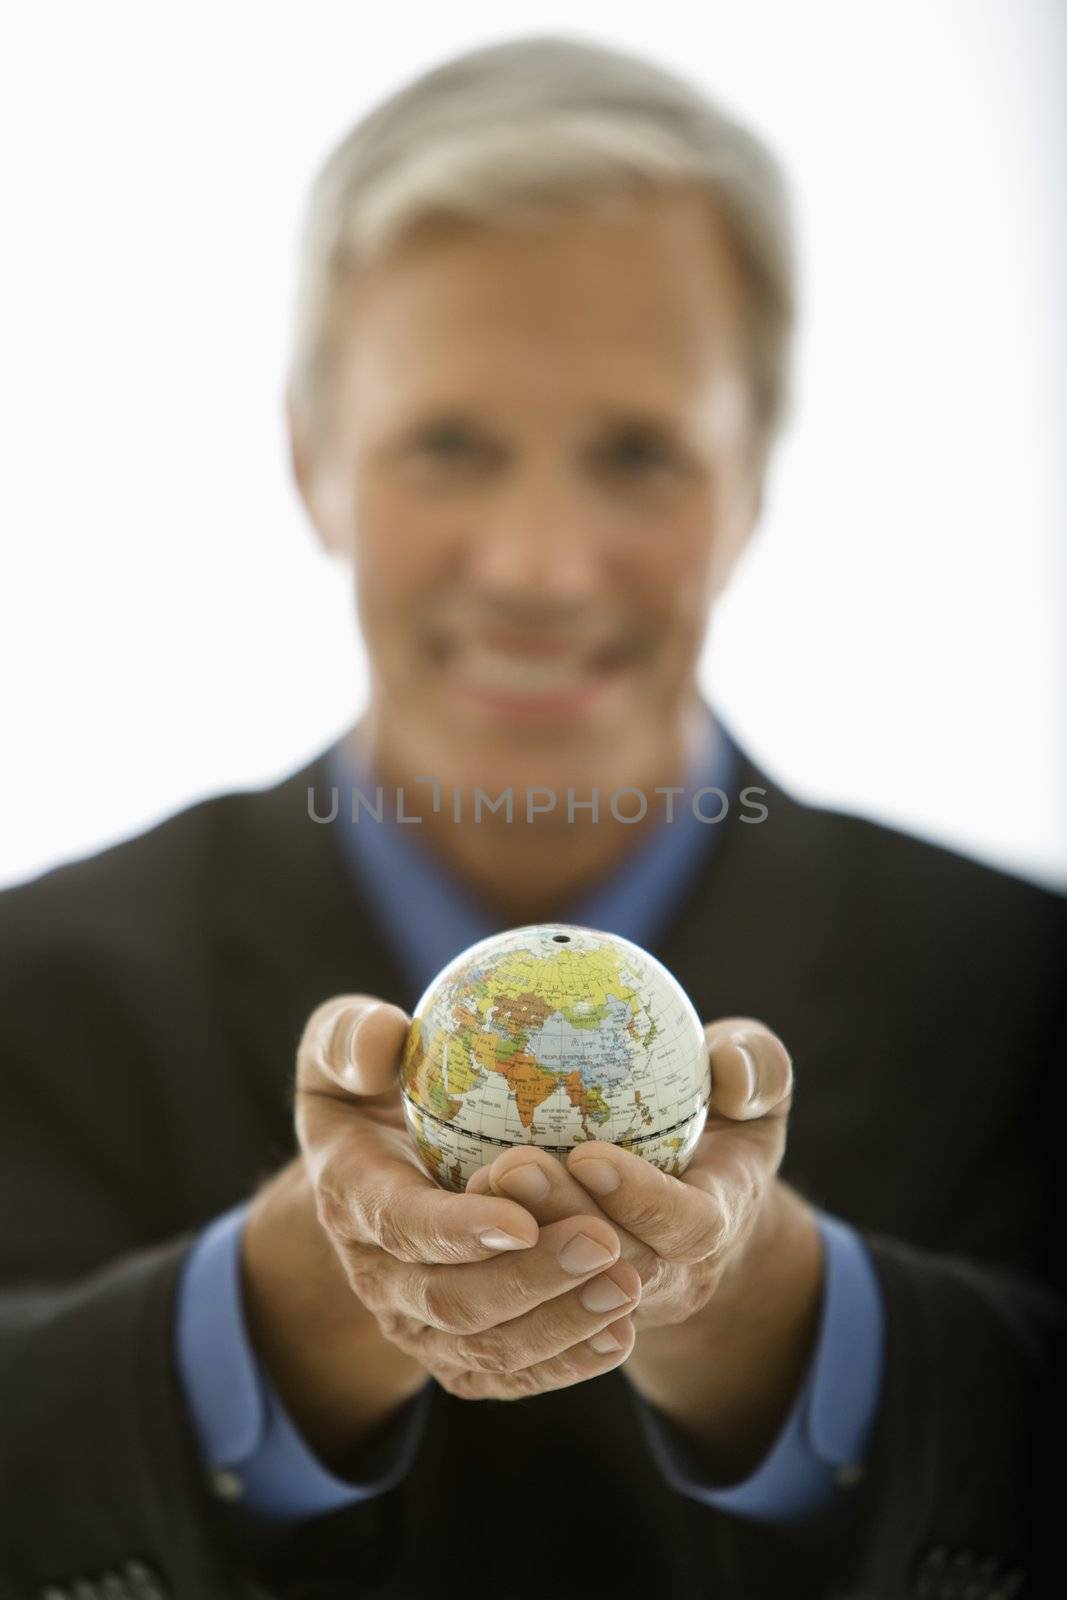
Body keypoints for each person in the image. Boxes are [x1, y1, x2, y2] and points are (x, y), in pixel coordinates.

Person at [1, 32, 1063, 1600]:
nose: (541, 568)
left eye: (638, 453)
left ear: (755, 475)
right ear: (311, 456)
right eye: (450, 445)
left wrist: (781, 1308)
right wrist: (291, 1297)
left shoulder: (1022, 994)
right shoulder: (40, 990)